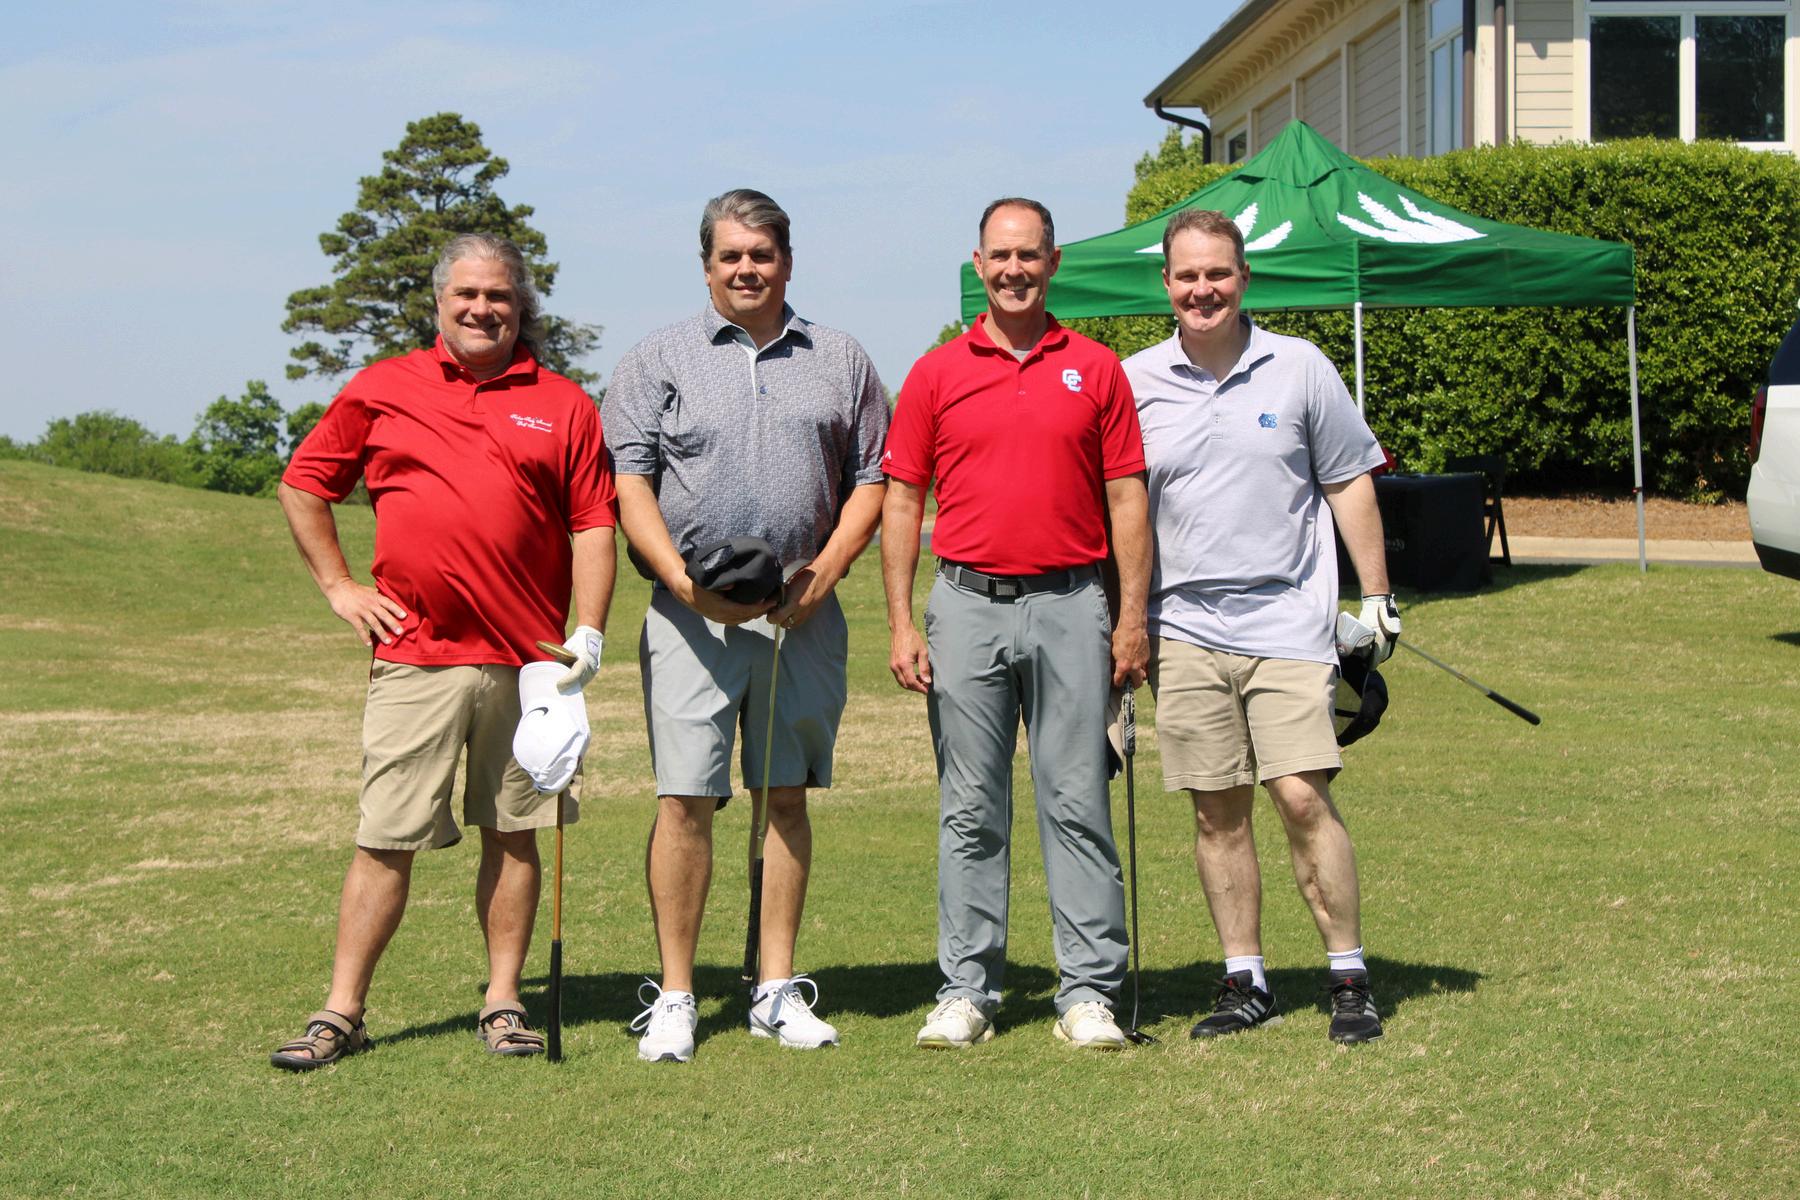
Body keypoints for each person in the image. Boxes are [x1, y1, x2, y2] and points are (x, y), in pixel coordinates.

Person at [269, 233, 617, 1069]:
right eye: (467, 294)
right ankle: (342, 1011)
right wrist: (340, 588)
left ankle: (503, 1003)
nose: (482, 309)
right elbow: (304, 484)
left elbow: (593, 524)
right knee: (386, 837)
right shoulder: (383, 387)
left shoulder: (564, 403)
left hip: (529, 665)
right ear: (439, 302)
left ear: (520, 305)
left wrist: (589, 632)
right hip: (416, 656)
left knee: (515, 833)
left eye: (498, 296)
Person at [603, 188, 889, 1063]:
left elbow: (872, 478)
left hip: (803, 612)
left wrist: (824, 574)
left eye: (762, 254)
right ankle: (677, 996)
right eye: (730, 255)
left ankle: (774, 990)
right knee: (685, 798)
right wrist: (683, 585)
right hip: (689, 615)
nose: (746, 269)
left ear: (787, 263)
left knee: (785, 795)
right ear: (706, 266)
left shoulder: (841, 358)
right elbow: (630, 484)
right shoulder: (657, 358)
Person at [1122, 209, 1399, 1045]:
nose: (1202, 289)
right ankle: (1246, 981)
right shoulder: (1134, 381)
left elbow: (1348, 480)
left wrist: (1377, 596)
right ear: (1166, 284)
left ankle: (1348, 976)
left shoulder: (1300, 367)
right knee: (1217, 811)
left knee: (1301, 796)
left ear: (1244, 279)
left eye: (1218, 273)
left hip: (1288, 622)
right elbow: (1121, 508)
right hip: (1181, 629)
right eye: (1187, 275)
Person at [882, 197, 1152, 1051]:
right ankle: (967, 989)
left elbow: (1127, 498)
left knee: (1077, 801)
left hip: (1073, 605)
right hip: (966, 605)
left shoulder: (1097, 369)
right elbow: (902, 499)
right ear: (978, 264)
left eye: (1028, 255)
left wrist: (1132, 617)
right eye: (999, 257)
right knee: (971, 808)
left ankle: (1088, 993)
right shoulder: (935, 373)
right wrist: (902, 620)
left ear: (1053, 261)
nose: (1013, 270)